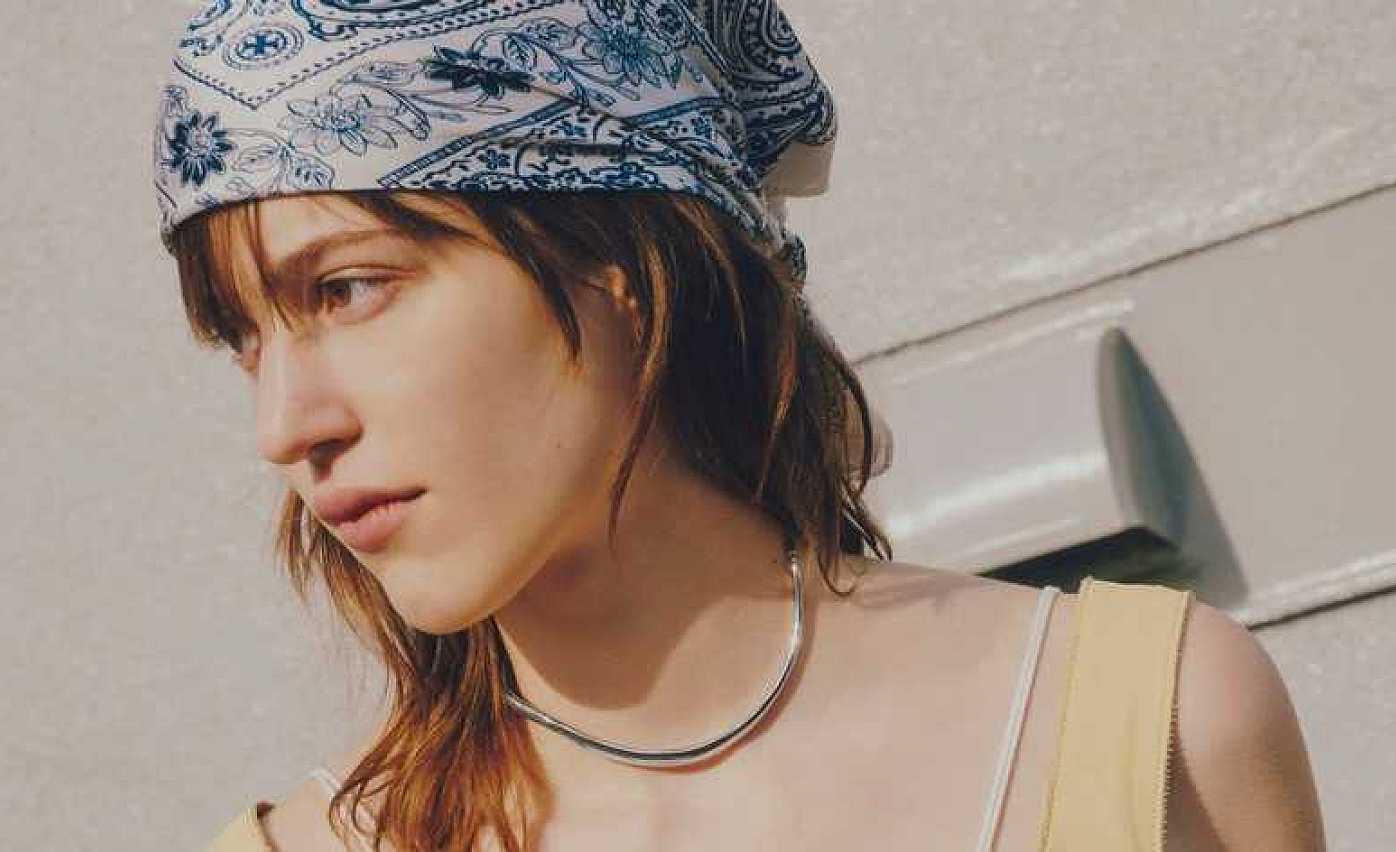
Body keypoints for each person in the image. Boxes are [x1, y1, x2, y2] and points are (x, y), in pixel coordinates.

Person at [154, 2, 1325, 850]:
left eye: (347, 289)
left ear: (620, 259)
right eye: (245, 338)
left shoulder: (1149, 725)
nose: (284, 426)